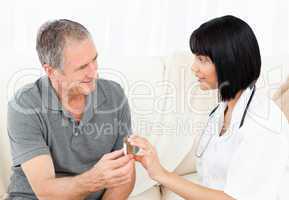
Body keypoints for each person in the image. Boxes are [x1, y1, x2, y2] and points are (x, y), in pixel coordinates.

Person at [128, 15, 289, 200]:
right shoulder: (222, 110)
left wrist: (161, 174)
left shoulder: (263, 126)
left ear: (229, 61)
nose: (193, 68)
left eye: (202, 60)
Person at [7, 19, 135, 200]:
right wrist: (94, 178)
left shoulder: (115, 95)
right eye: (82, 67)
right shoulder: (24, 105)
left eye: (95, 59)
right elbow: (46, 191)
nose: (93, 72)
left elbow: (125, 173)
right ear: (51, 71)